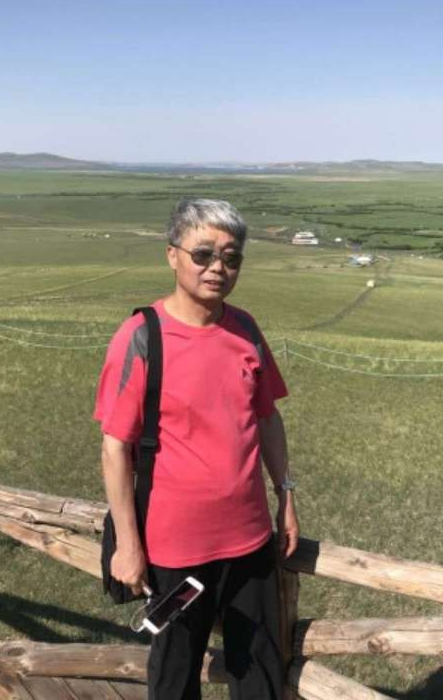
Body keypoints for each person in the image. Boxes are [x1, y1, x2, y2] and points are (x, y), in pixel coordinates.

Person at [94, 198, 299, 700]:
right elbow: (115, 448)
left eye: (231, 257)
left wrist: (286, 495)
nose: (217, 268)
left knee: (260, 676)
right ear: (172, 255)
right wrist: (128, 545)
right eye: (203, 254)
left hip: (251, 541)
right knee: (175, 677)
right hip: (175, 552)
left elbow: (267, 418)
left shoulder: (245, 329)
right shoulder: (142, 337)